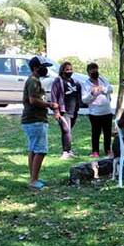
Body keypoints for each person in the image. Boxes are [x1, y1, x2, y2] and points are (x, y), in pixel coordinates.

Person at [22, 56, 58, 190]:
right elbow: (33, 100)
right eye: (44, 67)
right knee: (41, 150)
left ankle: (33, 178)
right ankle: (33, 180)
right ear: (36, 67)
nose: (46, 70)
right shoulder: (33, 81)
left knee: (33, 149)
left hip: (32, 120)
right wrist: (50, 105)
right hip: (35, 120)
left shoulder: (35, 81)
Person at [81, 62, 114, 158]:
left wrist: (102, 89)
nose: (95, 73)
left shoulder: (102, 79)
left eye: (96, 71)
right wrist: (92, 93)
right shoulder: (86, 84)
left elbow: (110, 89)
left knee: (107, 132)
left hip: (107, 111)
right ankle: (95, 151)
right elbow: (84, 99)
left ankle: (108, 149)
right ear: (88, 73)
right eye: (92, 72)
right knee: (96, 132)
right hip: (95, 113)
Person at [50, 61, 82, 159]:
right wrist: (56, 111)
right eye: (67, 69)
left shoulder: (74, 82)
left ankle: (69, 150)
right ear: (62, 70)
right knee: (66, 130)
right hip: (64, 110)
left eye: (71, 69)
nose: (69, 71)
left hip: (73, 110)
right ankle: (65, 151)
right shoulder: (58, 81)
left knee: (69, 131)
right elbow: (54, 95)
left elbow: (78, 95)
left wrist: (78, 107)